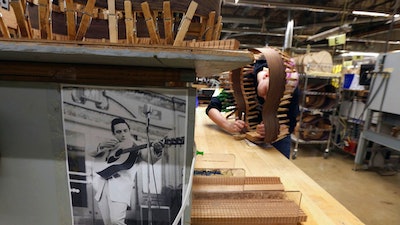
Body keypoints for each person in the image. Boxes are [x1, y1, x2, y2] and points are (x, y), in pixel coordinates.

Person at [206, 57, 299, 159]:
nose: (267, 100)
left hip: (278, 142)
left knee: (282, 170)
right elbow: (212, 107)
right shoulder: (243, 81)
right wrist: (228, 125)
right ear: (266, 76)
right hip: (248, 139)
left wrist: (275, 129)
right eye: (266, 92)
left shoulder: (290, 87)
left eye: (275, 98)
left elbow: (291, 123)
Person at [90, 117, 163, 225]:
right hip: (102, 187)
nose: (123, 134)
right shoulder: (111, 146)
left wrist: (157, 150)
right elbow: (92, 154)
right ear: (114, 134)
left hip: (120, 189)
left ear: (129, 131)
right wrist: (101, 146)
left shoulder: (136, 146)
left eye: (125, 131)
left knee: (116, 222)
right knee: (108, 223)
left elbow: (149, 158)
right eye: (118, 132)